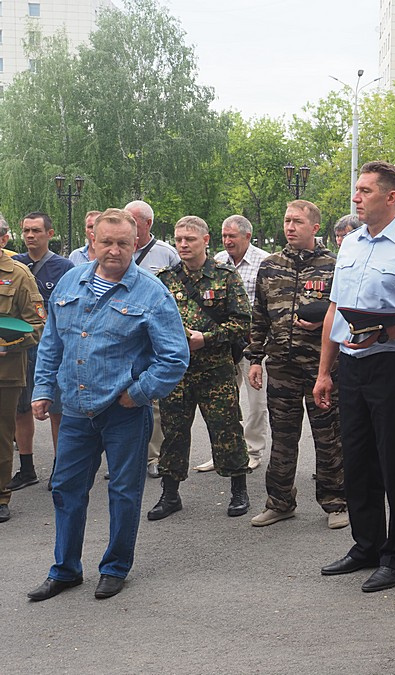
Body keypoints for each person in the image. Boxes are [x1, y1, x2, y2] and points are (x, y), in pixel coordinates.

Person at [26, 208, 188, 601]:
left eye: (123, 243)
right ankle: (65, 570)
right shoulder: (70, 281)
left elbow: (175, 357)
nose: (114, 250)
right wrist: (43, 389)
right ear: (93, 242)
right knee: (66, 489)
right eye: (107, 242)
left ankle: (115, 567)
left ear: (135, 244)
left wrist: (138, 393)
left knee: (124, 492)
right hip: (77, 410)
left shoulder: (152, 292)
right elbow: (52, 343)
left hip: (123, 413)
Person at [315, 161, 395, 593]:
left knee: (394, 463)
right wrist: (323, 372)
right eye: (357, 190)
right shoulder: (350, 242)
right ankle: (367, 544)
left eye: (365, 191)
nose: (356, 198)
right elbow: (335, 309)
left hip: (391, 365)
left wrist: (386, 331)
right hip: (350, 365)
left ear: (391, 197)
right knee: (356, 459)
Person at [246, 201, 347, 530]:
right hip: (282, 367)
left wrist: (324, 326)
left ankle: (336, 502)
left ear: (314, 228)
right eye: (287, 220)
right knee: (283, 437)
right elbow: (258, 315)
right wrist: (255, 358)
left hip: (322, 367)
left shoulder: (335, 266)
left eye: (298, 222)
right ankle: (280, 502)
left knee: (328, 436)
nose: (290, 226)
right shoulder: (270, 266)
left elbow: (347, 314)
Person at [148, 216, 252, 521]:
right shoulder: (164, 278)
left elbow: (243, 323)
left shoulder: (225, 276)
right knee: (173, 433)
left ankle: (238, 490)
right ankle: (170, 495)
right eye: (179, 239)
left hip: (215, 370)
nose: (183, 245)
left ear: (205, 241)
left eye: (190, 239)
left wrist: (205, 338)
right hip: (175, 372)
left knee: (227, 429)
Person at [192, 215, 270, 472]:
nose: (227, 241)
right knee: (223, 402)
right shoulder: (217, 262)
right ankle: (223, 452)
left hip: (253, 344)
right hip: (224, 343)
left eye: (232, 236)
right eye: (224, 236)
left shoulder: (264, 262)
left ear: (247, 236)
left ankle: (252, 450)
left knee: (257, 401)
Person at [8, 213, 74, 492]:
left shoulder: (64, 268)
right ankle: (27, 467)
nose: (30, 236)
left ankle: (61, 467)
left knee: (56, 410)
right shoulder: (13, 265)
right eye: (25, 231)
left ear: (50, 233)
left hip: (52, 350)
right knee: (21, 409)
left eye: (36, 230)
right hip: (19, 348)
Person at [124, 200, 180, 479]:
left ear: (147, 224)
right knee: (121, 392)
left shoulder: (167, 254)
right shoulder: (118, 249)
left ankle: (153, 456)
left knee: (151, 397)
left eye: (133, 221)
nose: (129, 226)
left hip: (153, 333)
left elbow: (180, 292)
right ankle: (125, 455)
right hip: (123, 334)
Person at [0, 213, 45, 523]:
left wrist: (6, 345)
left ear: (3, 240)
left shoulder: (18, 275)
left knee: (2, 437)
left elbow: (38, 325)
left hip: (5, 372)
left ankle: (1, 495)